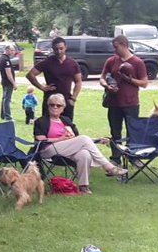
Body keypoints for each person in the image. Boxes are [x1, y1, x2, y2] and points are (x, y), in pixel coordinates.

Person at [34, 93, 128, 194]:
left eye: (58, 105)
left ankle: (83, 186)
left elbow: (79, 139)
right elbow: (41, 140)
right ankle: (108, 167)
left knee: (84, 154)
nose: (55, 107)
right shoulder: (41, 121)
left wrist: (97, 140)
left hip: (68, 151)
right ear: (48, 106)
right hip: (49, 150)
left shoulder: (66, 120)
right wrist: (61, 139)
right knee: (83, 140)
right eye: (52, 105)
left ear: (63, 108)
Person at [99, 35, 148, 163]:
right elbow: (102, 77)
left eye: (117, 47)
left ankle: (133, 157)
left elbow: (144, 83)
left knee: (132, 131)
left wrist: (129, 79)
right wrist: (107, 85)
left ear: (124, 45)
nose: (115, 50)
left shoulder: (137, 62)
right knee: (115, 132)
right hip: (114, 103)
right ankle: (116, 158)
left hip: (131, 103)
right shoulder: (111, 61)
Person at [26, 37, 82, 120]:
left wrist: (73, 99)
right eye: (56, 49)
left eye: (61, 48)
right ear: (53, 49)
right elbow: (30, 75)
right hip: (50, 101)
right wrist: (42, 87)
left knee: (67, 127)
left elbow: (78, 82)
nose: (59, 51)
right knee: (47, 126)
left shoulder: (73, 63)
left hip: (66, 100)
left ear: (65, 47)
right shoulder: (47, 62)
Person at [0, 44, 17, 121]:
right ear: (7, 50)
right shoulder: (6, 60)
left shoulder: (2, 58)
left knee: (4, 98)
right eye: (12, 50)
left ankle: (3, 115)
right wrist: (13, 83)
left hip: (4, 81)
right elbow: (8, 72)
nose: (13, 52)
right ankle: (8, 116)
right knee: (7, 99)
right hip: (8, 82)